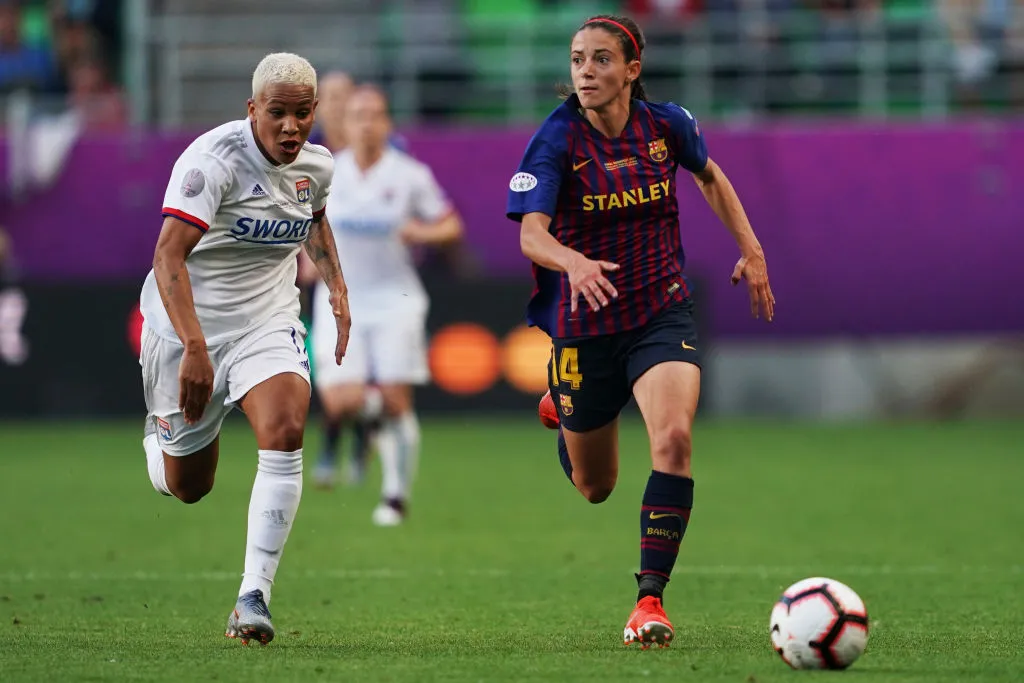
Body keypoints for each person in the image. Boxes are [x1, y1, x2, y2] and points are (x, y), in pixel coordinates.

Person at [506, 14, 775, 649]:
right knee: (596, 488)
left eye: (601, 60)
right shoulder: (556, 140)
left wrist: (752, 248)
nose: (586, 72)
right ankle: (565, 412)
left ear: (632, 70)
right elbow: (530, 233)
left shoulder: (667, 125)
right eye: (577, 60)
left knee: (675, 438)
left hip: (660, 310)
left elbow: (709, 175)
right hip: (584, 325)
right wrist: (571, 261)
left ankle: (649, 600)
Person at [138, 52, 351, 646]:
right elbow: (167, 257)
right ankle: (160, 441)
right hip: (185, 332)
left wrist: (336, 289)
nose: (291, 127)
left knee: (285, 428)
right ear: (252, 110)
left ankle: (252, 597)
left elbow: (313, 219)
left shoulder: (318, 165)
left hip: (268, 321)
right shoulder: (212, 163)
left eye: (302, 114)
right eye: (277, 114)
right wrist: (196, 348)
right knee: (189, 486)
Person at [303, 84, 462, 525]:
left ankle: (395, 495)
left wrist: (422, 233)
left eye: (375, 115)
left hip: (396, 299)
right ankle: (369, 419)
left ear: (387, 122)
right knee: (340, 401)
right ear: (345, 125)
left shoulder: (410, 174)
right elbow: (307, 227)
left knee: (397, 400)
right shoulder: (328, 174)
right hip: (339, 300)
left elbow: (450, 226)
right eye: (358, 115)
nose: (367, 123)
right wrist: (305, 262)